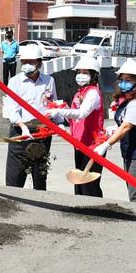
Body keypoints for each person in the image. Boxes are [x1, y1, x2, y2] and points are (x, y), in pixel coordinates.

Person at [94, 60, 136, 203]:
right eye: (122, 79)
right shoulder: (127, 101)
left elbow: (126, 127)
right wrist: (113, 128)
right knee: (135, 189)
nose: (124, 83)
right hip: (131, 151)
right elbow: (123, 122)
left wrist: (106, 144)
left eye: (128, 80)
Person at [46, 56, 104, 197]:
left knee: (89, 185)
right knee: (79, 184)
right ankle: (81, 212)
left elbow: (82, 113)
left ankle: (96, 213)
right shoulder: (79, 93)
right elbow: (73, 118)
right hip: (79, 143)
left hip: (92, 146)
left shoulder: (93, 93)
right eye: (79, 72)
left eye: (85, 72)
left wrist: (59, 110)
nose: (80, 76)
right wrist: (61, 111)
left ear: (93, 75)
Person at [5, 44, 58, 189]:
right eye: (24, 62)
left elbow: (52, 104)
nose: (27, 65)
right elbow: (12, 110)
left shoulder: (49, 81)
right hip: (21, 131)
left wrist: (58, 123)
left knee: (39, 175)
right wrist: (23, 128)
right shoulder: (15, 81)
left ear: (40, 62)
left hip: (42, 132)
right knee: (15, 176)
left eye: (31, 62)